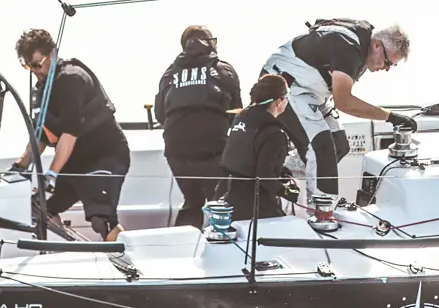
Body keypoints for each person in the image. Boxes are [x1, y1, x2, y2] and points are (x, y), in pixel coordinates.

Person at [261, 18, 414, 197]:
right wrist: (390, 117)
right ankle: (322, 208)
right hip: (286, 86)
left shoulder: (364, 46)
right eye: (387, 62)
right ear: (377, 46)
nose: (386, 69)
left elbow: (339, 91)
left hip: (312, 91)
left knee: (339, 145)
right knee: (322, 148)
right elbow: (344, 102)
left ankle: (279, 172)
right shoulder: (349, 49)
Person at [12, 28, 131, 242]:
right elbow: (40, 136)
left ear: (52, 53)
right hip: (75, 161)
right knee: (39, 207)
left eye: (37, 65)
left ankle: (130, 258)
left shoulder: (71, 80)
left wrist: (52, 174)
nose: (35, 72)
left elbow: (69, 134)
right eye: (28, 67)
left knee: (101, 220)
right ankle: (74, 247)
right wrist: (18, 168)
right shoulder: (42, 88)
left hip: (104, 155)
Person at [154, 25, 242, 228]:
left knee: (192, 201)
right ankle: (221, 242)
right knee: (218, 203)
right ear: (211, 44)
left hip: (176, 150)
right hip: (213, 148)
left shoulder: (169, 74)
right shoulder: (224, 70)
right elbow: (236, 111)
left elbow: (160, 114)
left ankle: (182, 243)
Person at [217, 73, 299, 223]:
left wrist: (278, 170)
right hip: (256, 206)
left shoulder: (239, 118)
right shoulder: (275, 134)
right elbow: (265, 177)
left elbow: (245, 156)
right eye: (286, 97)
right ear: (278, 101)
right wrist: (288, 192)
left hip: (230, 199)